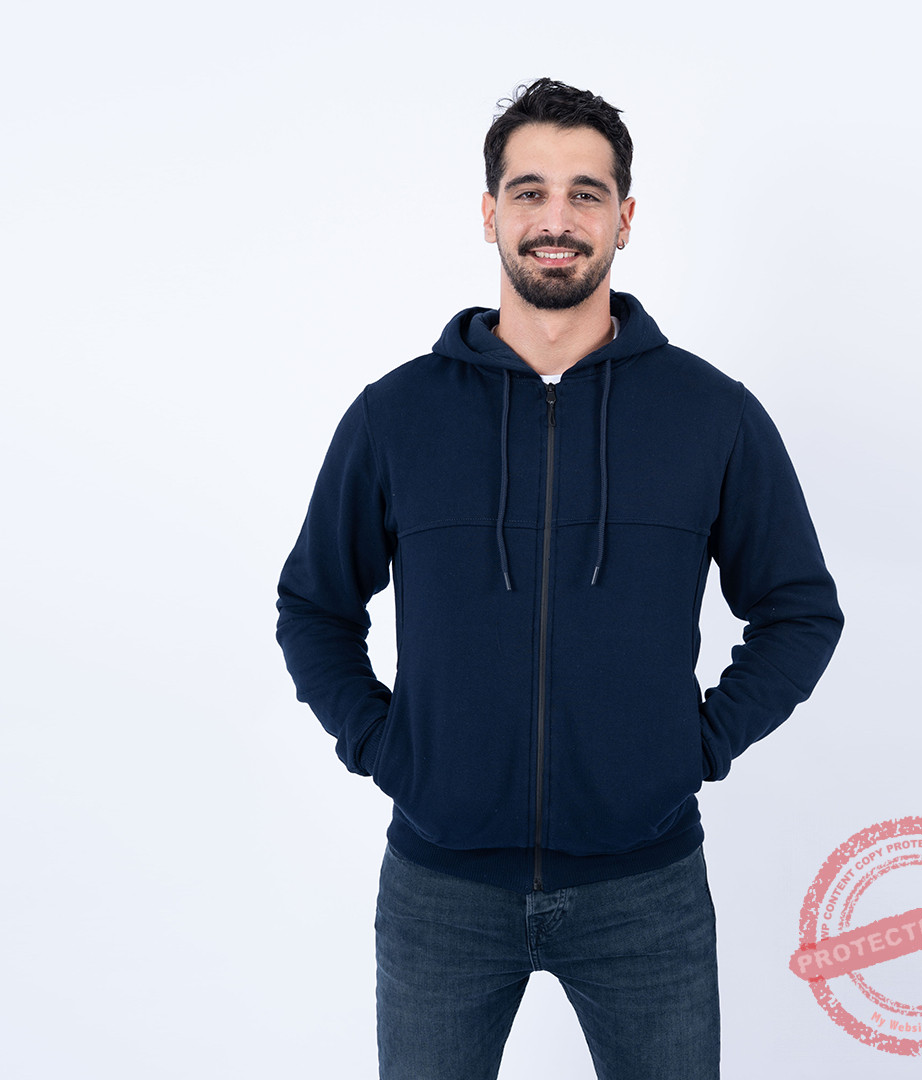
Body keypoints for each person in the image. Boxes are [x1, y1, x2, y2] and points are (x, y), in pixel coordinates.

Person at [276, 77, 843, 1080]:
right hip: (442, 890)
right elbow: (314, 606)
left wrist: (694, 747)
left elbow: (798, 610)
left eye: (587, 193)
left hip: (646, 892)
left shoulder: (711, 414)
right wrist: (385, 745)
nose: (556, 219)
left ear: (625, 218)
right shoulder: (397, 415)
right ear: (489, 212)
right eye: (529, 191)